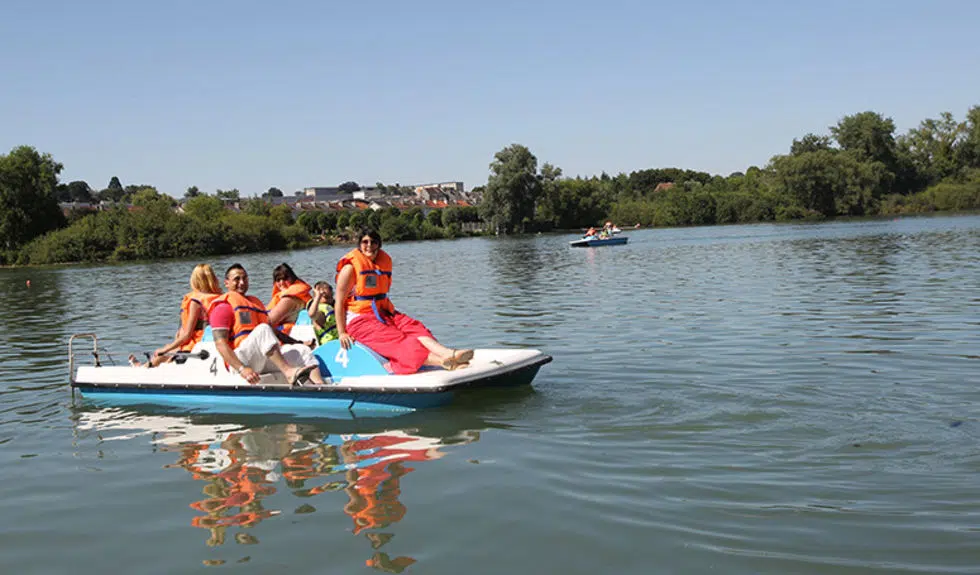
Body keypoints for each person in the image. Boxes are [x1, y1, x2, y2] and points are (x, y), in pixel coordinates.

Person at [334, 229, 473, 374]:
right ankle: (443, 362)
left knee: (414, 327)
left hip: (383, 313)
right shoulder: (349, 269)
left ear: (379, 245)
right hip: (359, 319)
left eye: (373, 242)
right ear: (359, 245)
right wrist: (342, 332)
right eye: (365, 242)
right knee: (397, 340)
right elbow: (338, 303)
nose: (369, 245)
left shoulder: (382, 263)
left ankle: (447, 353)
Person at [208, 263, 324, 386]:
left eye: (245, 278)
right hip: (241, 360)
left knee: (302, 351)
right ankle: (288, 372)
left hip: (260, 357)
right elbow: (220, 344)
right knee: (263, 329)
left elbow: (273, 332)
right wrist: (242, 369)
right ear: (227, 283)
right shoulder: (222, 307)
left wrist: (298, 343)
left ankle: (320, 388)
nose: (242, 282)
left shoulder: (255, 303)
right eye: (237, 279)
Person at [129, 264, 222, 367]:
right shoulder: (221, 298)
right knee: (170, 350)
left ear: (195, 280)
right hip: (214, 343)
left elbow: (187, 335)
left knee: (163, 354)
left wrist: (165, 349)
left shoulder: (196, 302)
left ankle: (142, 369)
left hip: (197, 347)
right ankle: (146, 365)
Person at [266, 263, 312, 335]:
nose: (282, 283)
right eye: (278, 280)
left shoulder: (289, 299)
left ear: (292, 278)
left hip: (287, 338)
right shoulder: (298, 295)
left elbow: (267, 322)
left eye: (285, 278)